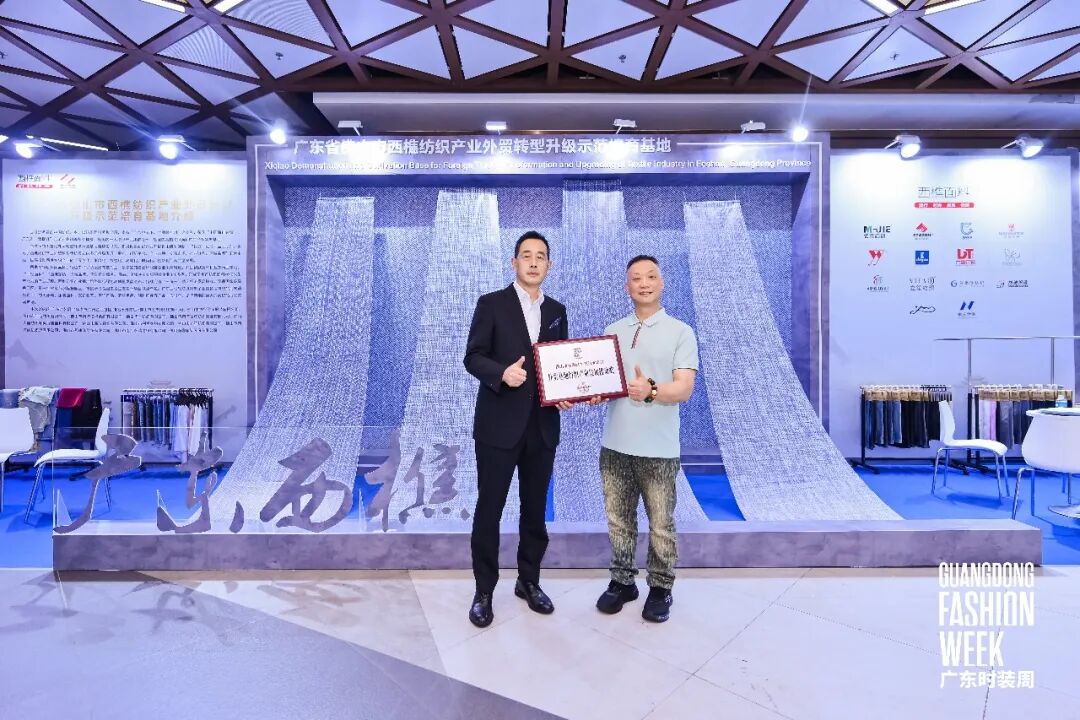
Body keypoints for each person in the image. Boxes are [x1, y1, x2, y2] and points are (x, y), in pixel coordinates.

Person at [463, 230, 575, 628]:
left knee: (535, 511)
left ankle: (529, 581)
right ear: (514, 263)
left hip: (542, 428)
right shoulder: (491, 303)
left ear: (549, 265)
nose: (533, 262)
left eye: (540, 256)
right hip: (497, 427)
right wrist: (501, 373)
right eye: (526, 255)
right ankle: (483, 591)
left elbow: (560, 364)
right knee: (489, 510)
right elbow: (473, 356)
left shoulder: (557, 310)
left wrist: (563, 394)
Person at [595, 255, 698, 623]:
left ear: (661, 283)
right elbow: (604, 380)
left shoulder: (681, 332)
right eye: (636, 278)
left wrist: (651, 389)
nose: (644, 283)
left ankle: (660, 587)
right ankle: (623, 582)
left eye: (650, 277)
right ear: (627, 287)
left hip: (659, 448)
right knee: (618, 521)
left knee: (661, 524)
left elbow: (684, 388)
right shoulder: (612, 331)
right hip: (615, 444)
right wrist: (592, 391)